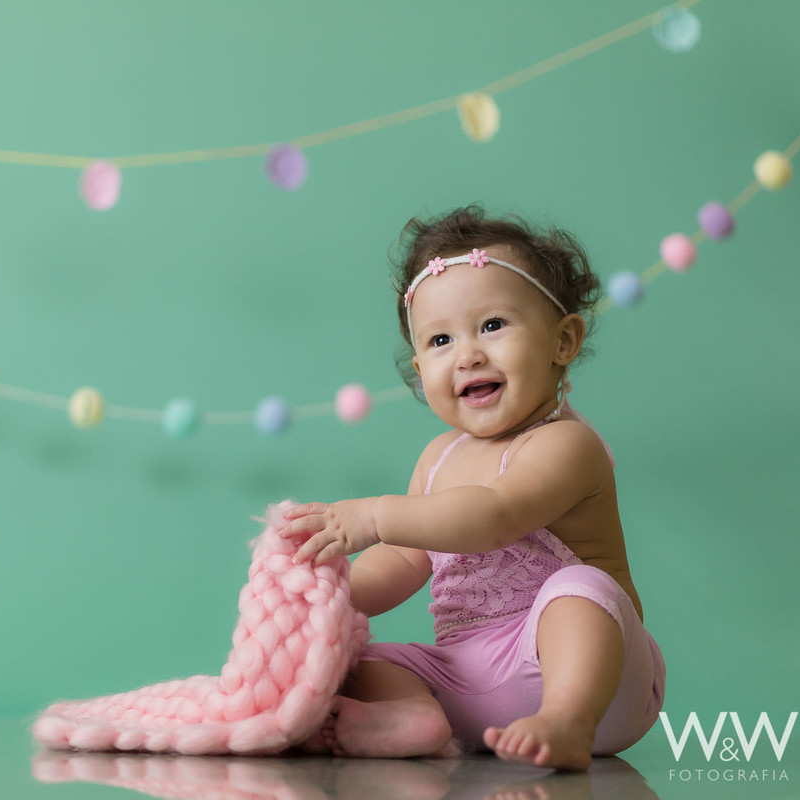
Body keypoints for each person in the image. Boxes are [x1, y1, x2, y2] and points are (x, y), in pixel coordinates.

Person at [281, 205, 665, 771]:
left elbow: (494, 516)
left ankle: (566, 720)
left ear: (564, 341)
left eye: (492, 325)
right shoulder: (437, 458)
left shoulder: (565, 445)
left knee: (580, 590)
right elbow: (403, 558)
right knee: (360, 658)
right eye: (440, 340)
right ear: (418, 369)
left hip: (594, 679)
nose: (468, 354)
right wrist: (334, 598)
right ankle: (413, 719)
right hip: (466, 677)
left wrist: (375, 515)